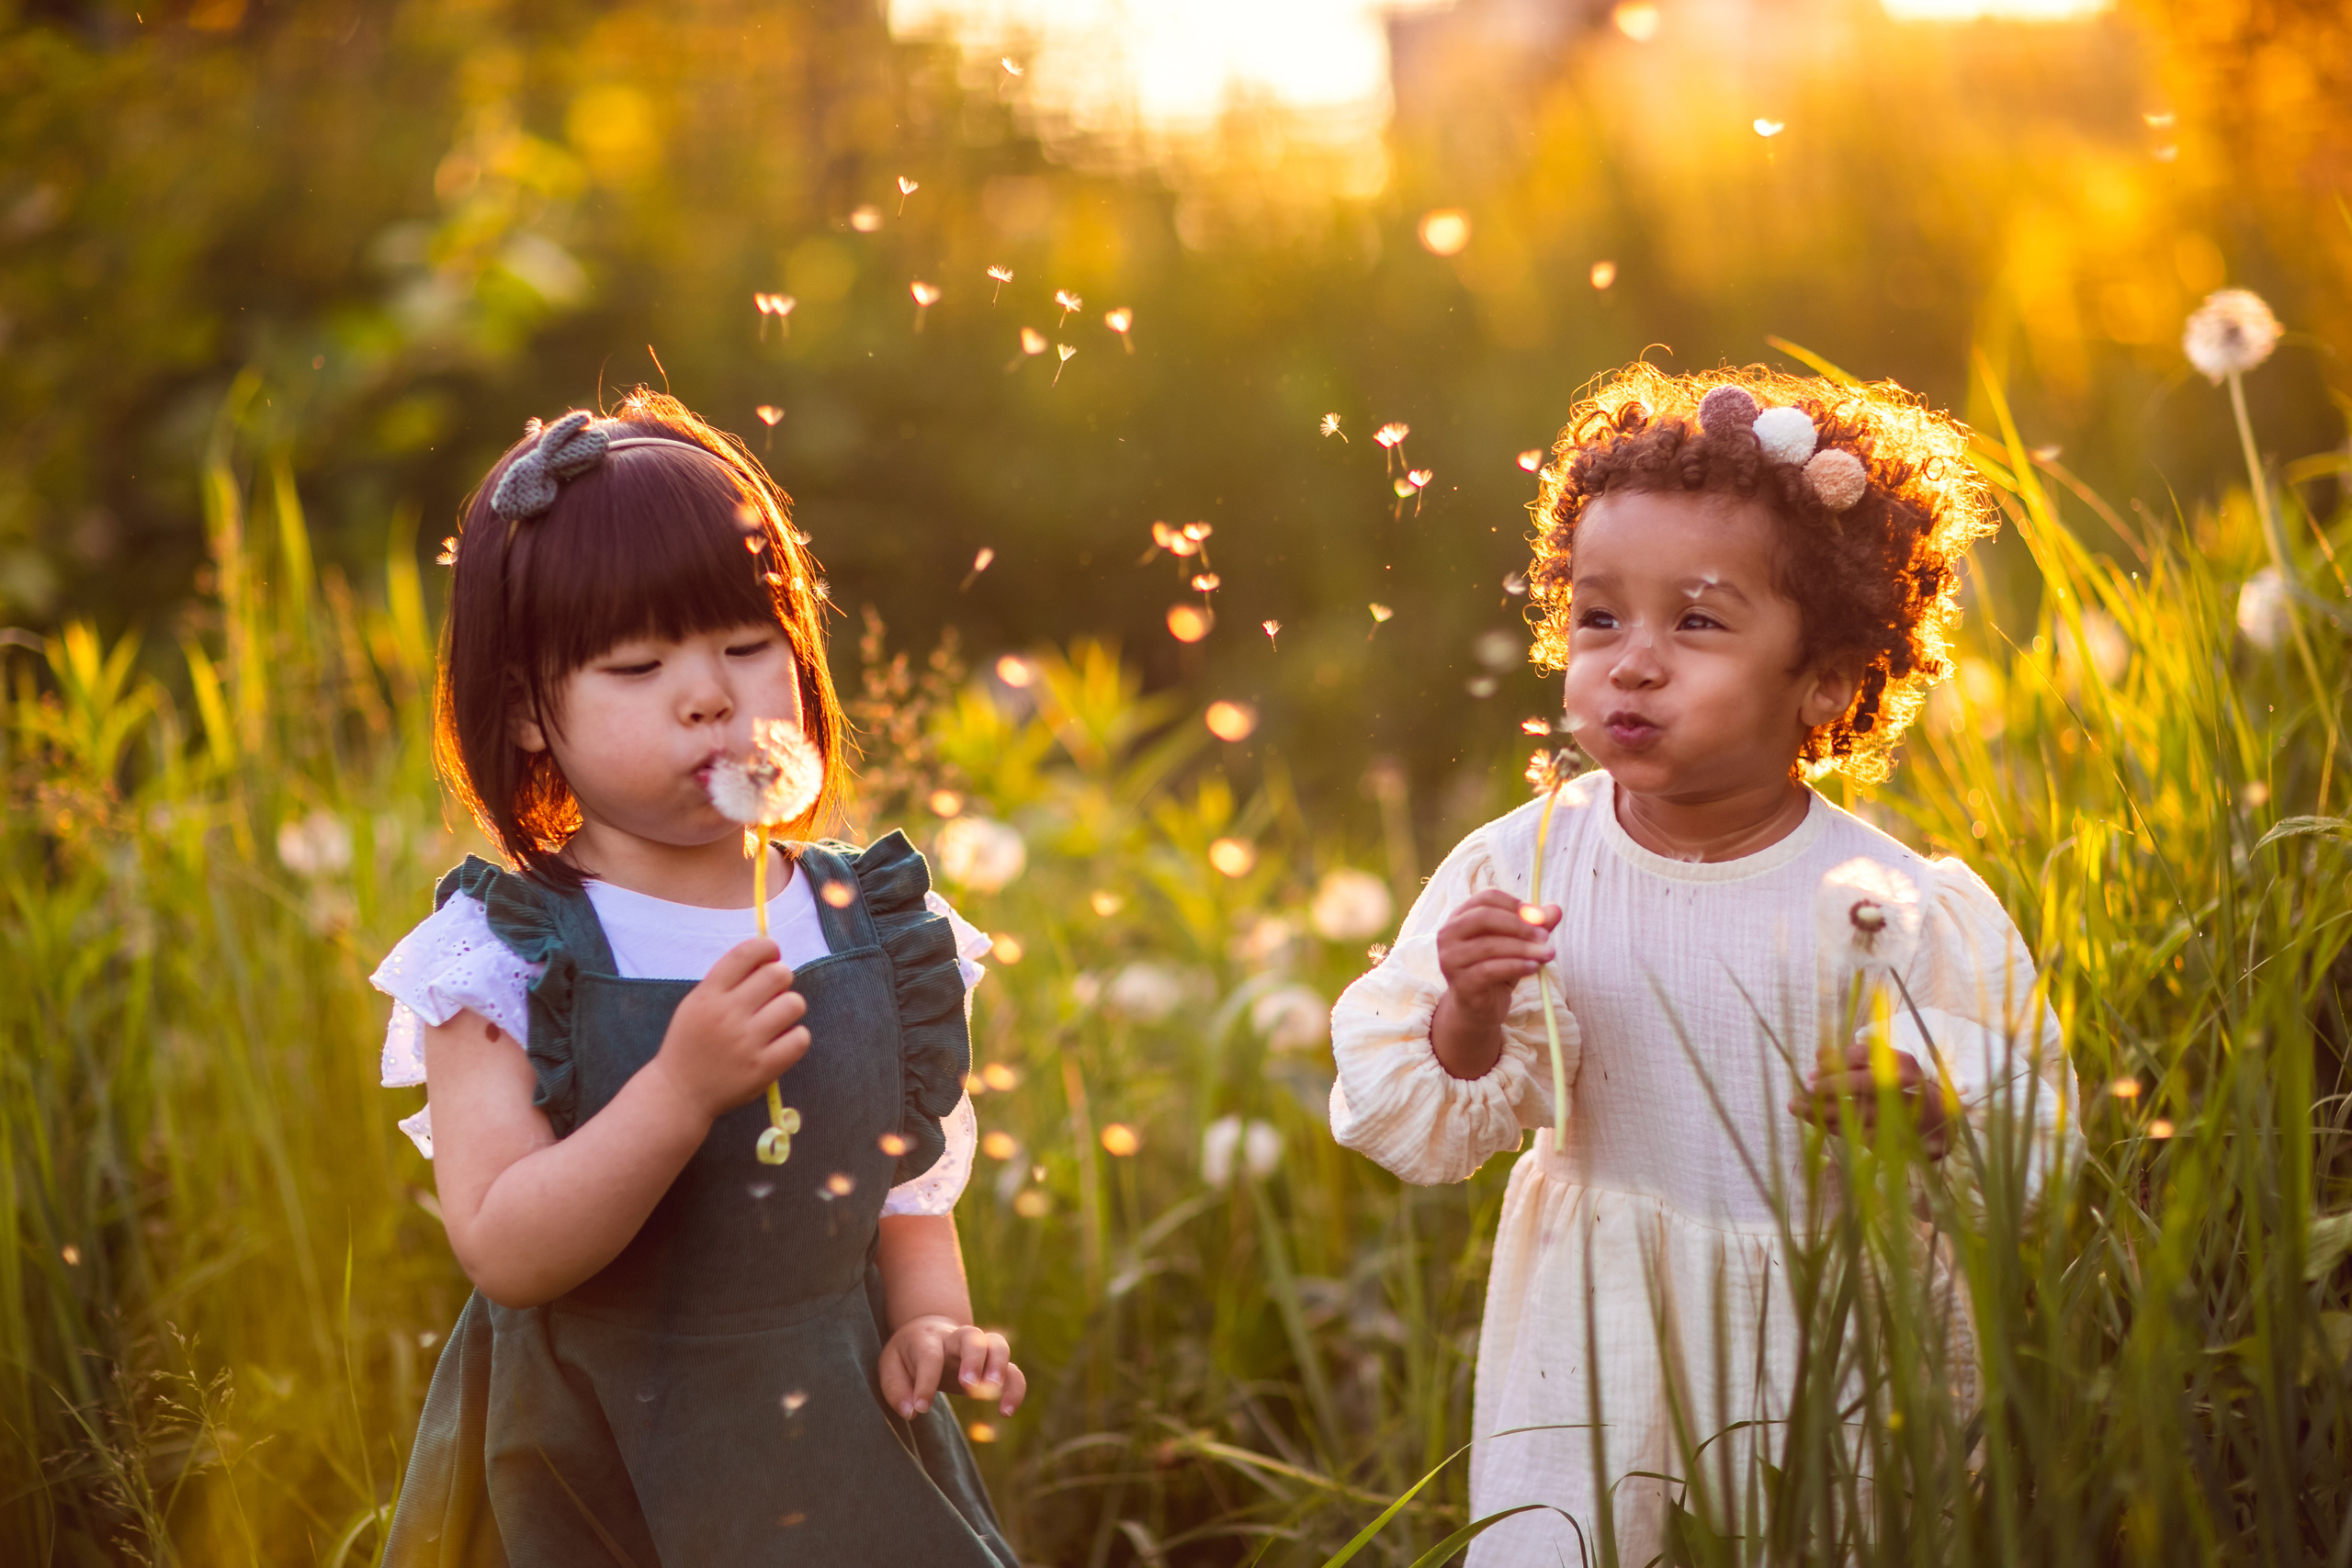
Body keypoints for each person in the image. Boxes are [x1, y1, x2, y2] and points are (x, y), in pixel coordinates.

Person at [1328, 366, 2078, 1564]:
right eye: (1599, 615)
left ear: (1825, 680)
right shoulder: (1525, 860)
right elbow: (1430, 1121)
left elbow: (2029, 1135)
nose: (1633, 661)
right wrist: (1470, 1006)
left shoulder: (1894, 907)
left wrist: (1931, 1113)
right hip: (1591, 1338)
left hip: (1819, 1340)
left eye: (1698, 621)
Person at [369, 391, 1023, 1565]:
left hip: (835, 1432)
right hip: (601, 1457)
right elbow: (507, 1250)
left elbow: (903, 1183)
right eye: (636, 662)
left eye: (744, 645)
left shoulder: (869, 922)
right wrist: (676, 1091)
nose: (709, 692)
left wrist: (933, 1324)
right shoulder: (505, 955)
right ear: (525, 714)